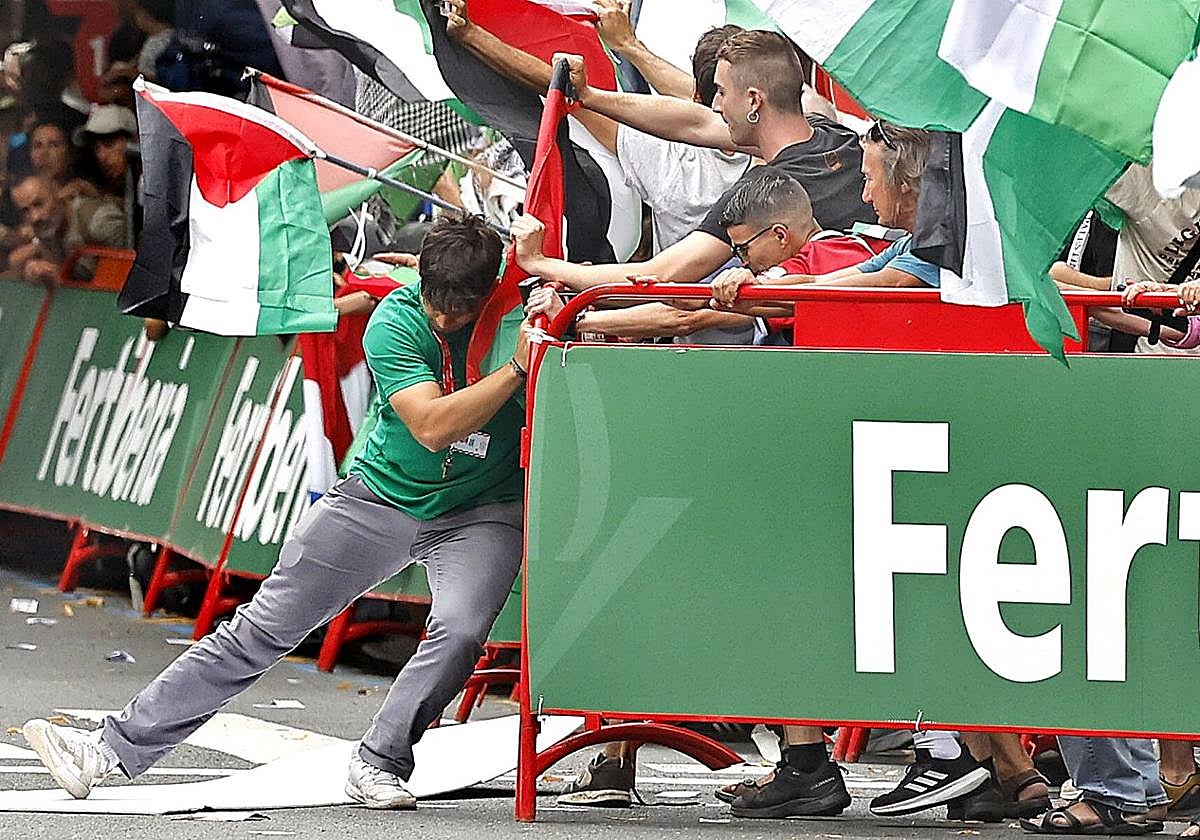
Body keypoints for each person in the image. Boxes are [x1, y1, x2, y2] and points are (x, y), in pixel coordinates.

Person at [22, 215, 556, 809]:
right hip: (382, 495)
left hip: (481, 509)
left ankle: (380, 761)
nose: (444, 317)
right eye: (436, 301)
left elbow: (630, 305)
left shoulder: (527, 309)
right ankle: (110, 749)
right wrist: (516, 368)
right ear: (421, 280)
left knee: (460, 631)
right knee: (259, 631)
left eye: (460, 308)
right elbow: (431, 427)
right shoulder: (398, 318)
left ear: (491, 290)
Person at [512, 30, 874, 292]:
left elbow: (663, 272)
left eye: (720, 92)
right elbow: (693, 123)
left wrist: (542, 264)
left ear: (753, 101)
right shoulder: (833, 133)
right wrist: (589, 96)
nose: (715, 105)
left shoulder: (765, 192)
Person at [6, 173, 126, 283]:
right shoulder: (47, 229)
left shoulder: (99, 220)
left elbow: (127, 280)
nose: (35, 217)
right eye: (25, 211)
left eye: (39, 204)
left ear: (56, 190)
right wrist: (34, 275)